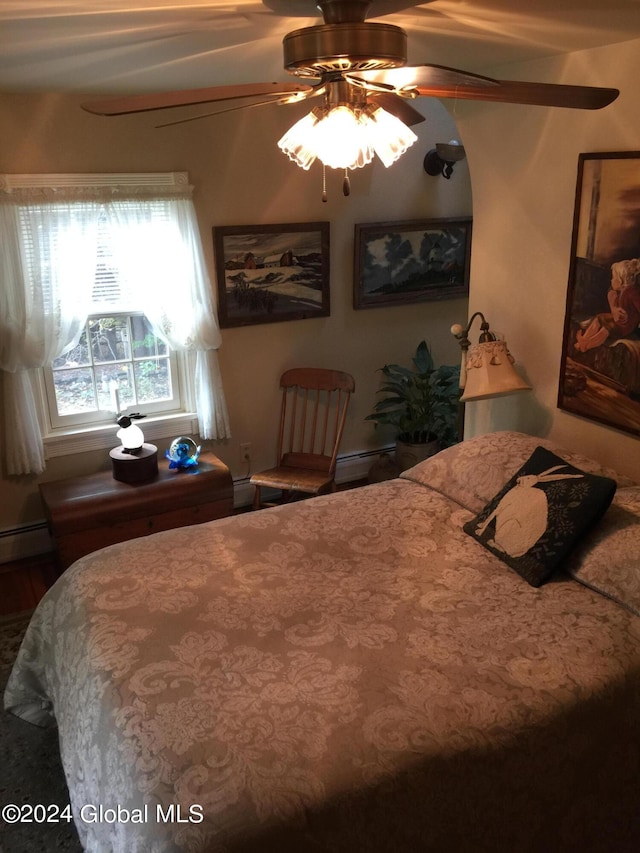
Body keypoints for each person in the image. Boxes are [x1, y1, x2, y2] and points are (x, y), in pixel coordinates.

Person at [575, 258, 640, 352]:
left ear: (621, 280)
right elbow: (611, 293)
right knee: (599, 318)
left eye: (614, 278)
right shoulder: (619, 291)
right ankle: (584, 340)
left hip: (626, 326)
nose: (611, 280)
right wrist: (614, 308)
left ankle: (586, 345)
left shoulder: (631, 292)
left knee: (606, 329)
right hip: (618, 321)